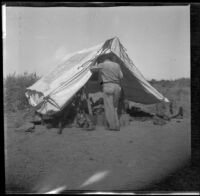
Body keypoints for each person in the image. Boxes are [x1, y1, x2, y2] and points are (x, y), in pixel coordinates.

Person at [90, 53, 123, 131]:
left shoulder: (102, 65)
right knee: (115, 107)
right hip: (117, 87)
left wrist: (94, 59)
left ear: (103, 59)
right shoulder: (117, 65)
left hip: (108, 86)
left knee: (109, 107)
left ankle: (112, 126)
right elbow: (121, 76)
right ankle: (117, 124)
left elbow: (91, 68)